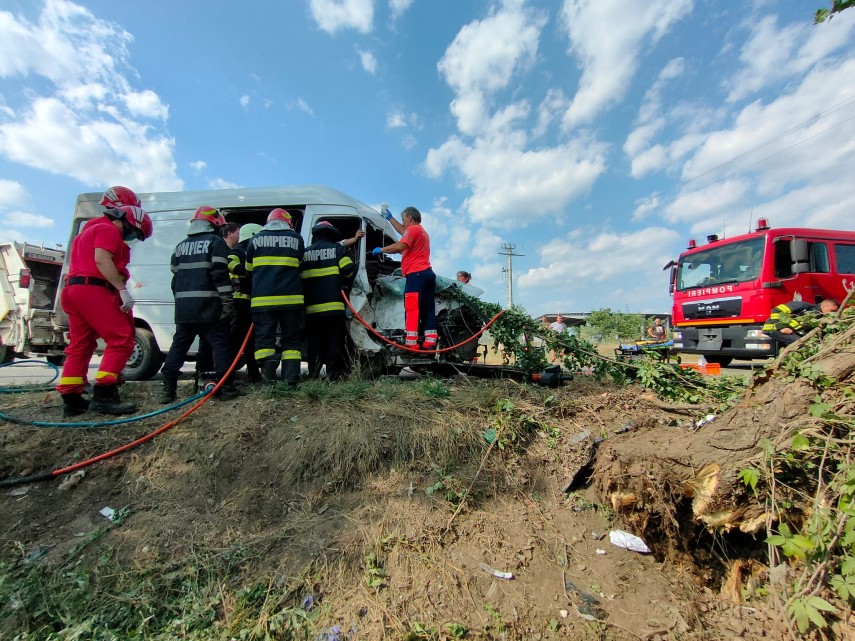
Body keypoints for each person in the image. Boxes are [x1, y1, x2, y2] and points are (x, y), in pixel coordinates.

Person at [57, 186, 153, 416]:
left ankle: (71, 397)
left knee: (81, 345)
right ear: (125, 220)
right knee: (121, 340)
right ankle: (104, 396)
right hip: (94, 289)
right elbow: (102, 260)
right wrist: (121, 289)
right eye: (132, 233)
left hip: (73, 290)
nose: (130, 239)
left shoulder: (89, 229)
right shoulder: (108, 230)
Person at [159, 206, 239, 403]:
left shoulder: (180, 247)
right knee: (221, 346)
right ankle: (226, 388)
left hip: (185, 309)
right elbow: (219, 274)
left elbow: (175, 278)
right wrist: (228, 301)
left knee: (178, 347)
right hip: (209, 308)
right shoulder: (216, 242)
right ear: (214, 224)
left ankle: (168, 391)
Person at [247, 208, 305, 385]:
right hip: (291, 300)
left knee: (265, 341)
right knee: (291, 340)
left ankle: (268, 380)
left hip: (263, 301)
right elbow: (300, 265)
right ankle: (291, 380)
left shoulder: (255, 239)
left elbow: (249, 269)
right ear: (288, 222)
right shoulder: (296, 239)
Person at [372, 206, 437, 349]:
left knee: (412, 308)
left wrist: (381, 250)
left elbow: (401, 246)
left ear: (410, 218)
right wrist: (390, 218)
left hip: (416, 275)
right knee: (427, 308)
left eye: (403, 220)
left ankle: (411, 344)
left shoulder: (413, 230)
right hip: (427, 274)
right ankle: (430, 342)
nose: (403, 223)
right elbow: (403, 231)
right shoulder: (422, 232)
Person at [300, 221, 355, 380]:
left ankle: (313, 373)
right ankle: (332, 375)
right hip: (333, 307)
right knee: (333, 342)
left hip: (311, 309)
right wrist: (346, 283)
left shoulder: (304, 253)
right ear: (332, 235)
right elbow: (348, 270)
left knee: (314, 342)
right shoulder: (338, 250)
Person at [227, 223, 263, 382]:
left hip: (248, 302)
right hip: (238, 302)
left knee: (249, 341)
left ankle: (253, 374)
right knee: (235, 341)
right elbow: (230, 263)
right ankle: (228, 375)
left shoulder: (251, 251)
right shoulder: (239, 251)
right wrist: (246, 271)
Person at [762, 298, 839, 346]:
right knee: (801, 343)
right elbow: (776, 310)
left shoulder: (817, 317)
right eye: (832, 311)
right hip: (773, 328)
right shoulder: (803, 306)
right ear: (823, 306)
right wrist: (781, 327)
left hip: (790, 331)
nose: (832, 314)